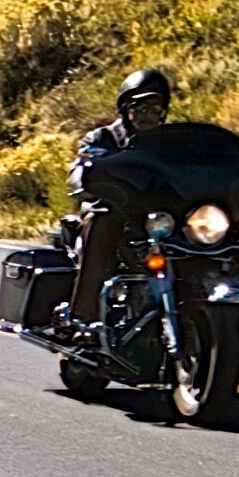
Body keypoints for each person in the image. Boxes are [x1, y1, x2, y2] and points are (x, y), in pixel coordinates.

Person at [64, 67, 180, 322]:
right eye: (139, 107)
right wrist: (87, 181)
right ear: (125, 109)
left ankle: (217, 316)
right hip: (117, 213)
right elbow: (80, 170)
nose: (147, 115)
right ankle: (82, 318)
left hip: (160, 218)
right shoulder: (103, 137)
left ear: (164, 111)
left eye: (154, 108)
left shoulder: (174, 143)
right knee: (100, 222)